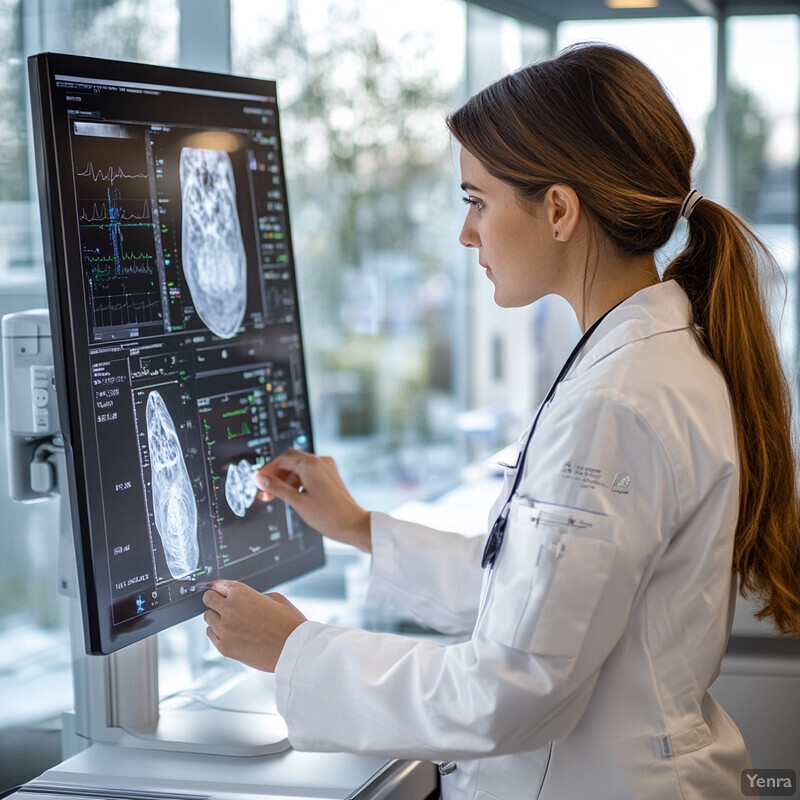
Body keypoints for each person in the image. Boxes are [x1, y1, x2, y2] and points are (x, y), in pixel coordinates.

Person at [202, 43, 800, 799]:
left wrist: (296, 650)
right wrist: (359, 527)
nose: (467, 234)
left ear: (558, 209)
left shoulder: (618, 401)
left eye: (476, 201)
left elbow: (511, 691)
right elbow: (543, 591)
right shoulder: (644, 357)